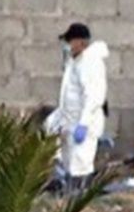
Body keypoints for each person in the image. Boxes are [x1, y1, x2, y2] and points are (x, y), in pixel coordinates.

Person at [45, 23, 109, 193]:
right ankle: (67, 192)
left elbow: (93, 97)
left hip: (84, 123)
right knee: (67, 160)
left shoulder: (90, 63)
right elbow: (69, 95)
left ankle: (79, 197)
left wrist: (84, 124)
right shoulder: (75, 61)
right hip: (69, 119)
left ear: (81, 42)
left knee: (80, 163)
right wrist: (57, 118)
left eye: (69, 41)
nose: (67, 45)